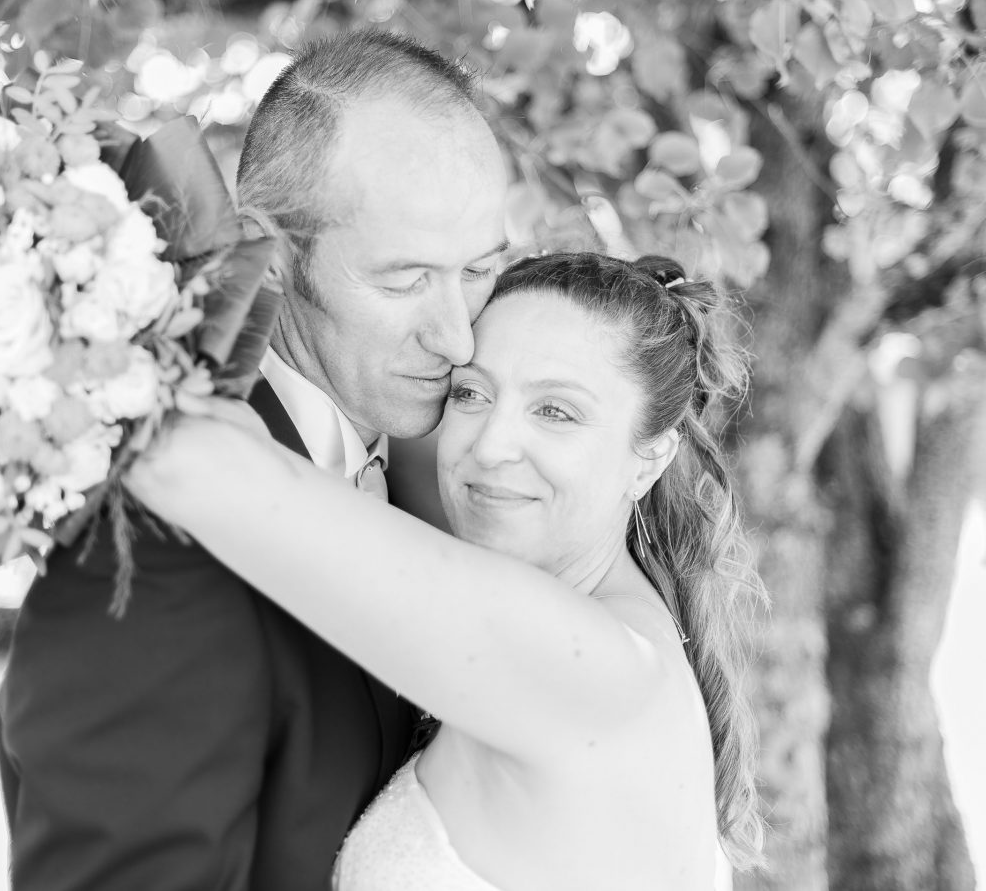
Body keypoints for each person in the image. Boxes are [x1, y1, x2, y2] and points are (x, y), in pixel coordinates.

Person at [0, 30, 509, 891]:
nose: (457, 337)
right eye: (405, 280)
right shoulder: (159, 545)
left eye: (482, 270)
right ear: (275, 251)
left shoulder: (445, 476)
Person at [125, 251, 768, 889]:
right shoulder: (618, 638)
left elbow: (189, 466)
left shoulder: (579, 665)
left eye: (556, 411)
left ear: (650, 458)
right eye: (470, 393)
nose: (489, 446)